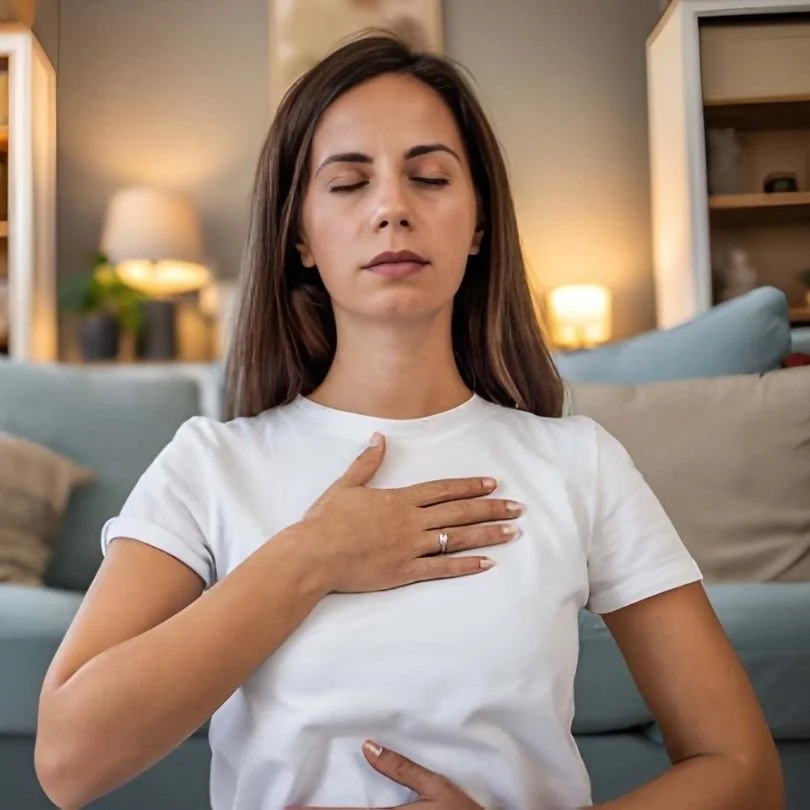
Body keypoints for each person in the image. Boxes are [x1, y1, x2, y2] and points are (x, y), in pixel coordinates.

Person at [35, 34, 783, 810]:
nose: (393, 208)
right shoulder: (210, 465)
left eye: (428, 177)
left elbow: (742, 769)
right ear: (299, 237)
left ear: (480, 222)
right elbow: (67, 760)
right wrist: (310, 558)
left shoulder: (578, 463)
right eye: (349, 184)